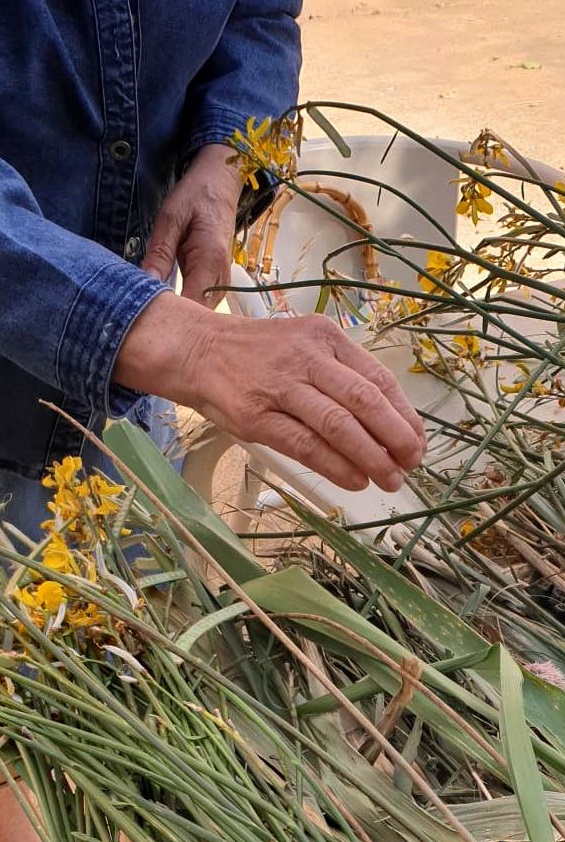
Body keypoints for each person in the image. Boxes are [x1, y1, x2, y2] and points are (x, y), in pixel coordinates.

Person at [0, 1, 426, 541]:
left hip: (126, 390)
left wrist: (227, 161)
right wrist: (189, 343)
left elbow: (260, 16)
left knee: (137, 602)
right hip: (127, 345)